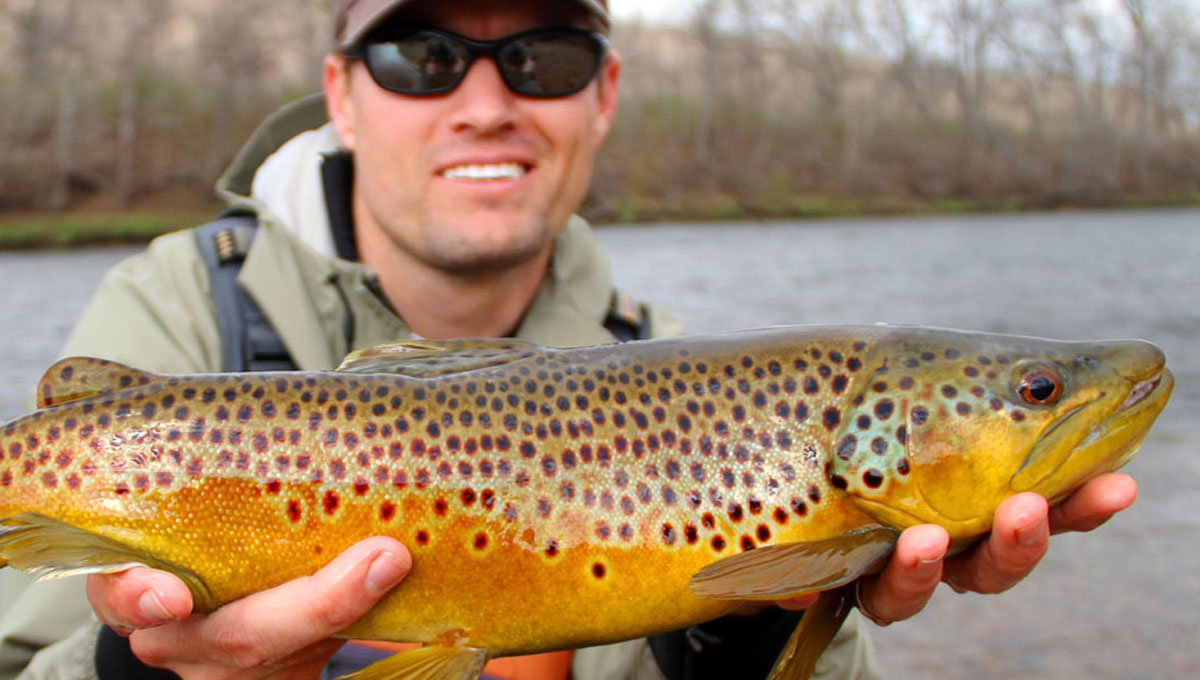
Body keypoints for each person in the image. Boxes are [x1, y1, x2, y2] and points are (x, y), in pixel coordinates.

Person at [0, 0, 1138, 678]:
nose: (488, 101)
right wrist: (129, 665)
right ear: (340, 97)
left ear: (603, 97)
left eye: (544, 58)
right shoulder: (177, 307)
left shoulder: (684, 365)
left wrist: (750, 635)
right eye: (423, 57)